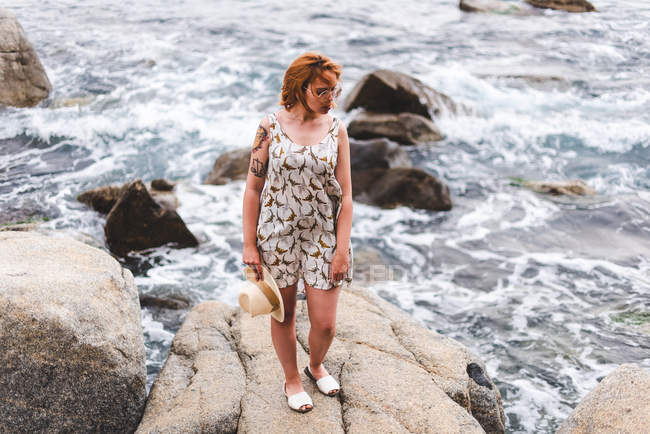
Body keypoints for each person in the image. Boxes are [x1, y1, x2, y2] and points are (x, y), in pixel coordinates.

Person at [242, 52, 352, 413]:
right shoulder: (269, 126)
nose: (330, 99)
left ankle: (316, 365)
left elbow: (347, 196)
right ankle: (292, 378)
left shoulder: (337, 130)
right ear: (300, 88)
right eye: (323, 91)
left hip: (323, 236)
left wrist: (341, 249)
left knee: (325, 324)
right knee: (284, 315)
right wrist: (249, 245)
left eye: (334, 91)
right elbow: (253, 189)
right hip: (277, 235)